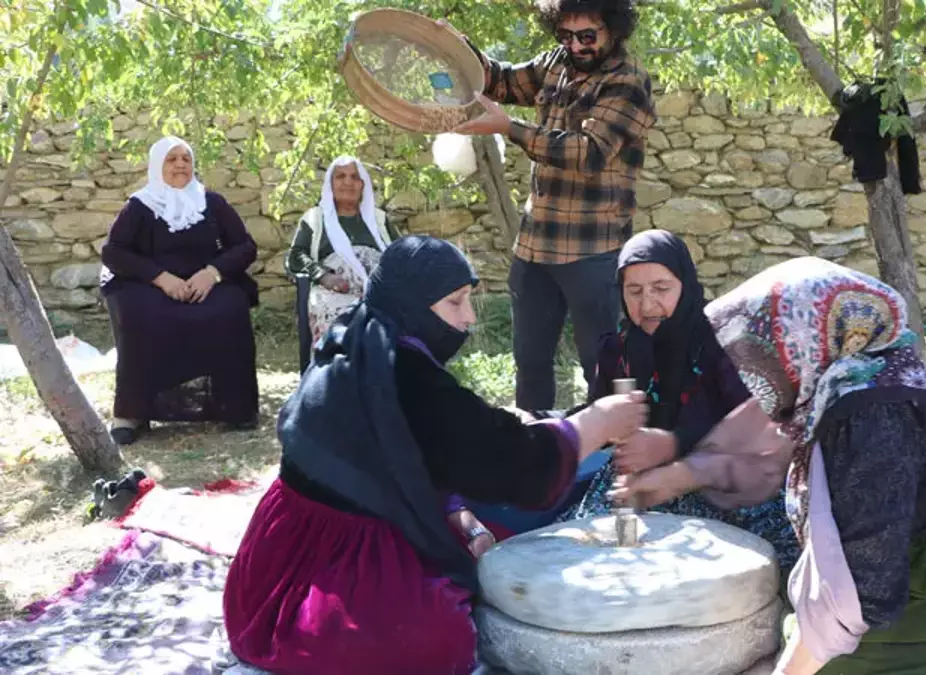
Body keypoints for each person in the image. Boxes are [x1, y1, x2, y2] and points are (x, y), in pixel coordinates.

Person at [615, 257, 926, 675]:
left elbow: (864, 583)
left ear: (798, 342)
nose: (749, 372)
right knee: (801, 626)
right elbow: (752, 440)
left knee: (833, 662)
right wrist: (679, 474)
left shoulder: (866, 411)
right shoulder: (858, 369)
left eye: (759, 354)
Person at [223, 235, 647, 675]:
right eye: (455, 302)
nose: (469, 319)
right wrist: (596, 423)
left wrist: (458, 513)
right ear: (413, 304)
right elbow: (514, 463)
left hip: (268, 564)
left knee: (491, 530)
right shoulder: (408, 378)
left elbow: (417, 452)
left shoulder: (356, 338)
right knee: (439, 635)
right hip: (315, 577)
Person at [441, 0, 657, 410]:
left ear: (614, 28)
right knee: (530, 365)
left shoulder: (628, 81)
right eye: (565, 35)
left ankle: (610, 446)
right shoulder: (555, 62)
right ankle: (536, 441)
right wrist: (458, 48)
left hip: (593, 251)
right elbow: (500, 81)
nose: (575, 46)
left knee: (602, 369)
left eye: (587, 35)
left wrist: (510, 127)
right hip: (534, 248)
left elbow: (589, 152)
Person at [558, 230, 800, 577]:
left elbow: (758, 427)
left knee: (739, 569)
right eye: (634, 291)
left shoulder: (724, 341)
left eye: (661, 288)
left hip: (721, 478)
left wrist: (673, 443)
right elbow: (599, 415)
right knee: (590, 557)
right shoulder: (618, 349)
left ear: (684, 284)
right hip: (639, 479)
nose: (647, 305)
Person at [99, 136, 259, 445]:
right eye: (172, 159)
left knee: (230, 308)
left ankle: (235, 407)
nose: (181, 164)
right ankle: (133, 412)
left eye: (186, 158)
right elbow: (114, 252)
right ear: (157, 165)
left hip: (205, 284)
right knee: (140, 314)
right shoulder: (139, 206)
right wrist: (160, 277)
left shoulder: (212, 203)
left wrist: (212, 274)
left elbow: (245, 246)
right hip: (153, 285)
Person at [284, 156, 398, 347]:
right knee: (344, 324)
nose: (348, 182)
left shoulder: (379, 219)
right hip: (333, 292)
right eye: (340, 176)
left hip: (379, 292)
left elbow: (401, 253)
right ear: (330, 184)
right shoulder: (315, 218)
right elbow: (296, 255)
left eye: (355, 177)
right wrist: (323, 276)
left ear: (362, 185)